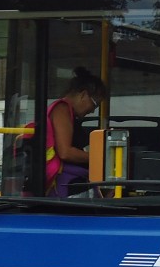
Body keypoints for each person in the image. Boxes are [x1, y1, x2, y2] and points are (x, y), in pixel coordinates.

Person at [39, 66, 109, 195]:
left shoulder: (69, 114)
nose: (93, 110)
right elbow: (65, 152)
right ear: (84, 95)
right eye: (95, 104)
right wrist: (102, 158)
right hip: (65, 186)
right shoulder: (62, 109)